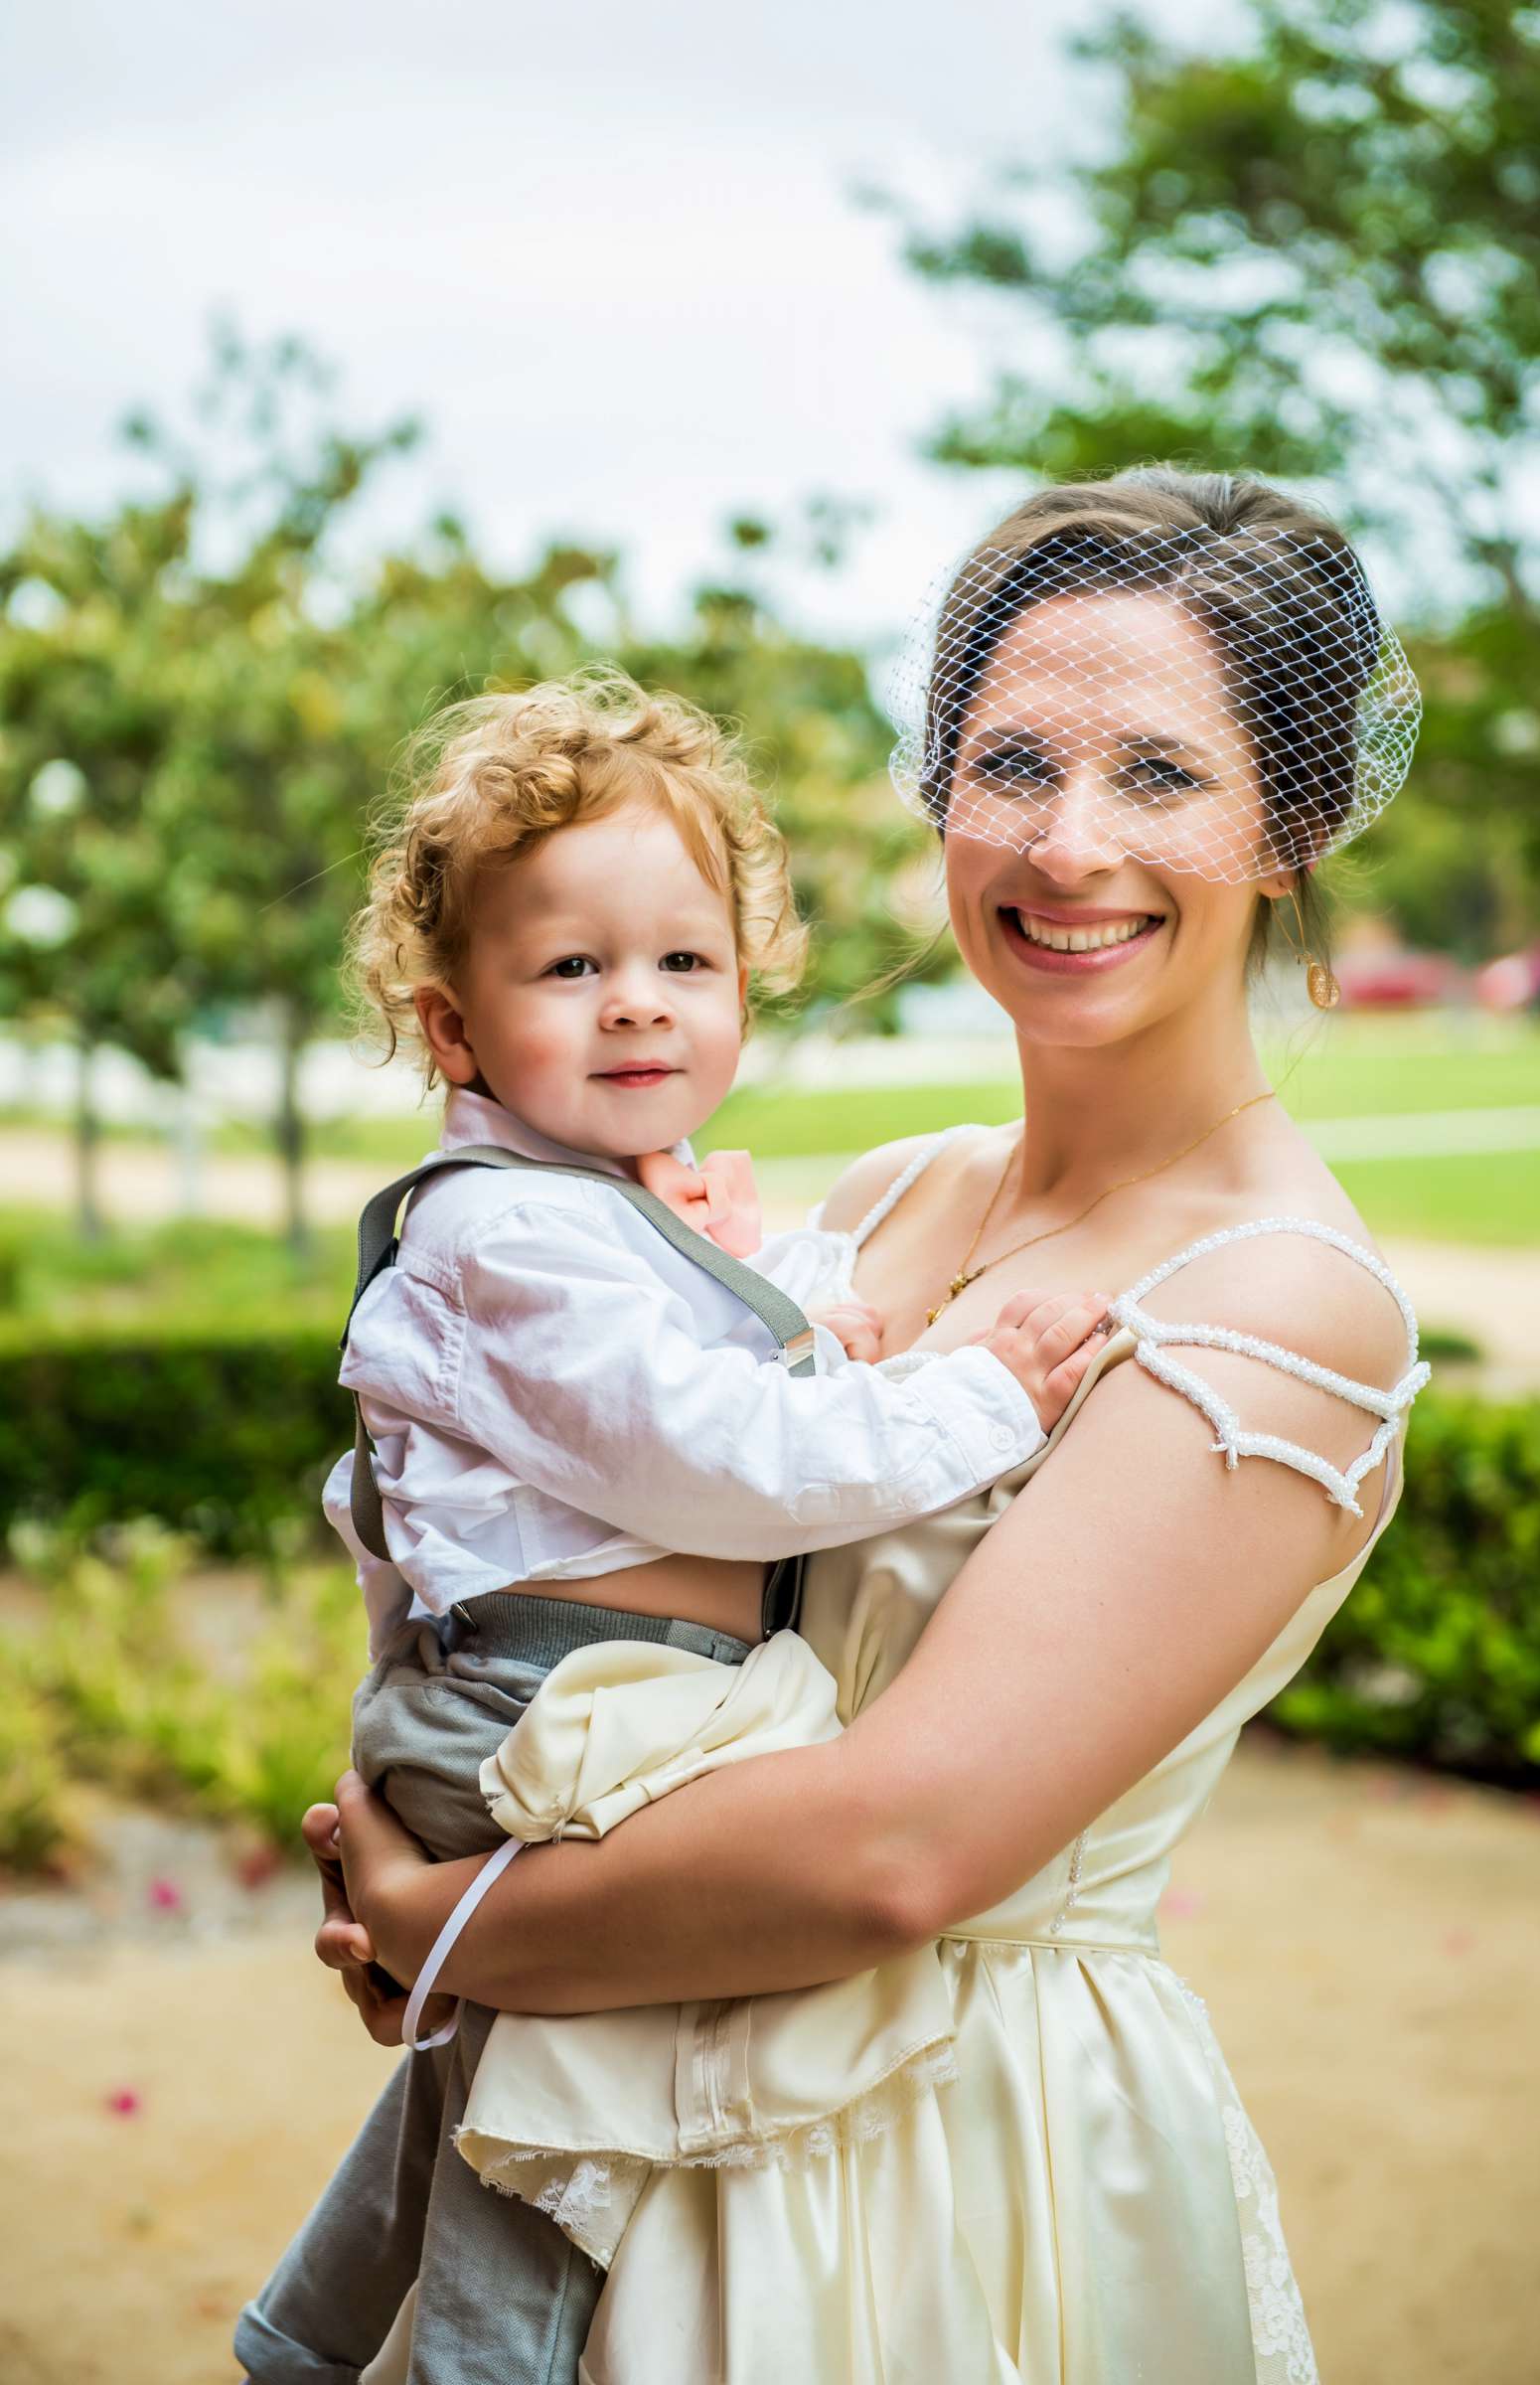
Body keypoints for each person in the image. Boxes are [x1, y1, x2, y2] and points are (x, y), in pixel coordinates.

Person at [311, 467, 1433, 2382]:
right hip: (635, 2074)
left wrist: (453, 1919)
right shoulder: (899, 1195)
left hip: (939, 2146)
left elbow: (897, 1852)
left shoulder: (1281, 1308)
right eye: (1009, 765)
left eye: (1159, 774)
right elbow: (564, 1506)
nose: (1067, 845)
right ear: (935, 794)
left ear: (1293, 818)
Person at [234, 670, 1110, 2385]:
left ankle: (312, 2330)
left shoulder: (587, 1210)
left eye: (681, 963)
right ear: (452, 1026)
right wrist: (977, 1398)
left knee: (499, 2071)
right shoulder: (510, 1239)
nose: (637, 1008)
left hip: (579, 1698)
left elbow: (688, 1373)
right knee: (581, 2105)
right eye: (572, 969)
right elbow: (716, 1457)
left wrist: (797, 1303)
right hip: (547, 1709)